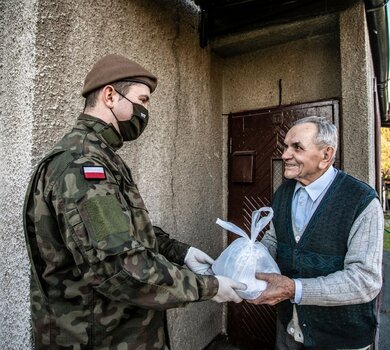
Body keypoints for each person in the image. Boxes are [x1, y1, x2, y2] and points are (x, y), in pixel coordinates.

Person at [23, 54, 245, 349]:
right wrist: (210, 287)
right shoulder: (82, 164)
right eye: (142, 99)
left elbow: (122, 232)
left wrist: (181, 252)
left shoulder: (100, 157)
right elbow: (122, 268)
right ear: (110, 95)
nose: (145, 110)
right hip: (98, 339)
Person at [250, 116, 383, 349]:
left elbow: (365, 280)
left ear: (326, 156)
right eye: (286, 146)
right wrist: (247, 259)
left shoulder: (361, 201)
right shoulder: (283, 192)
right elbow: (274, 238)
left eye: (297, 147)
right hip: (289, 329)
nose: (284, 155)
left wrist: (295, 289)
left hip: (339, 339)